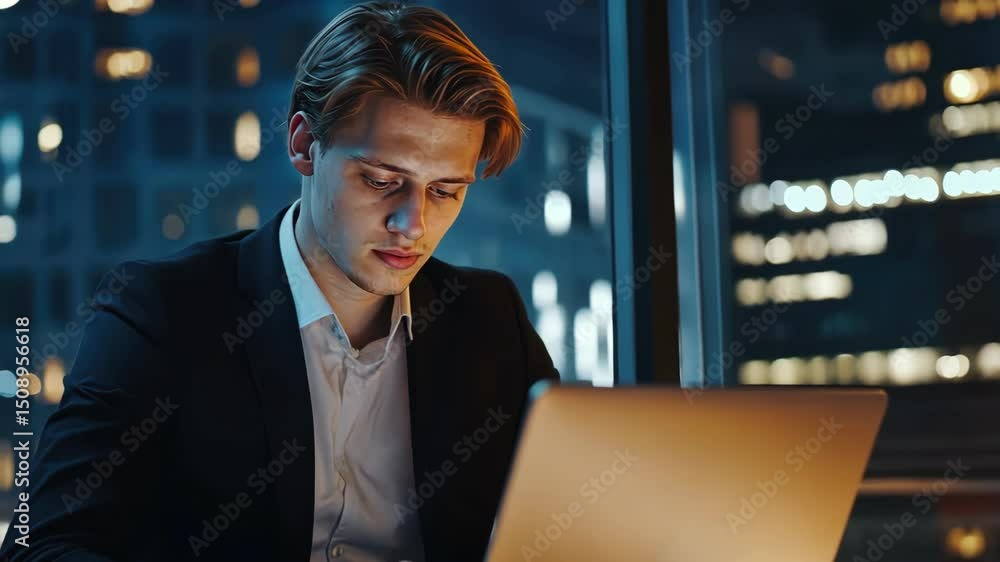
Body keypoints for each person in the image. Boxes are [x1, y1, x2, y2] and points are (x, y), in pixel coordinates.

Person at [0, 2, 558, 561]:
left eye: (445, 191)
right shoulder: (162, 315)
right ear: (303, 144)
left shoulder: (491, 320)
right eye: (381, 180)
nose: (412, 225)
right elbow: (43, 547)